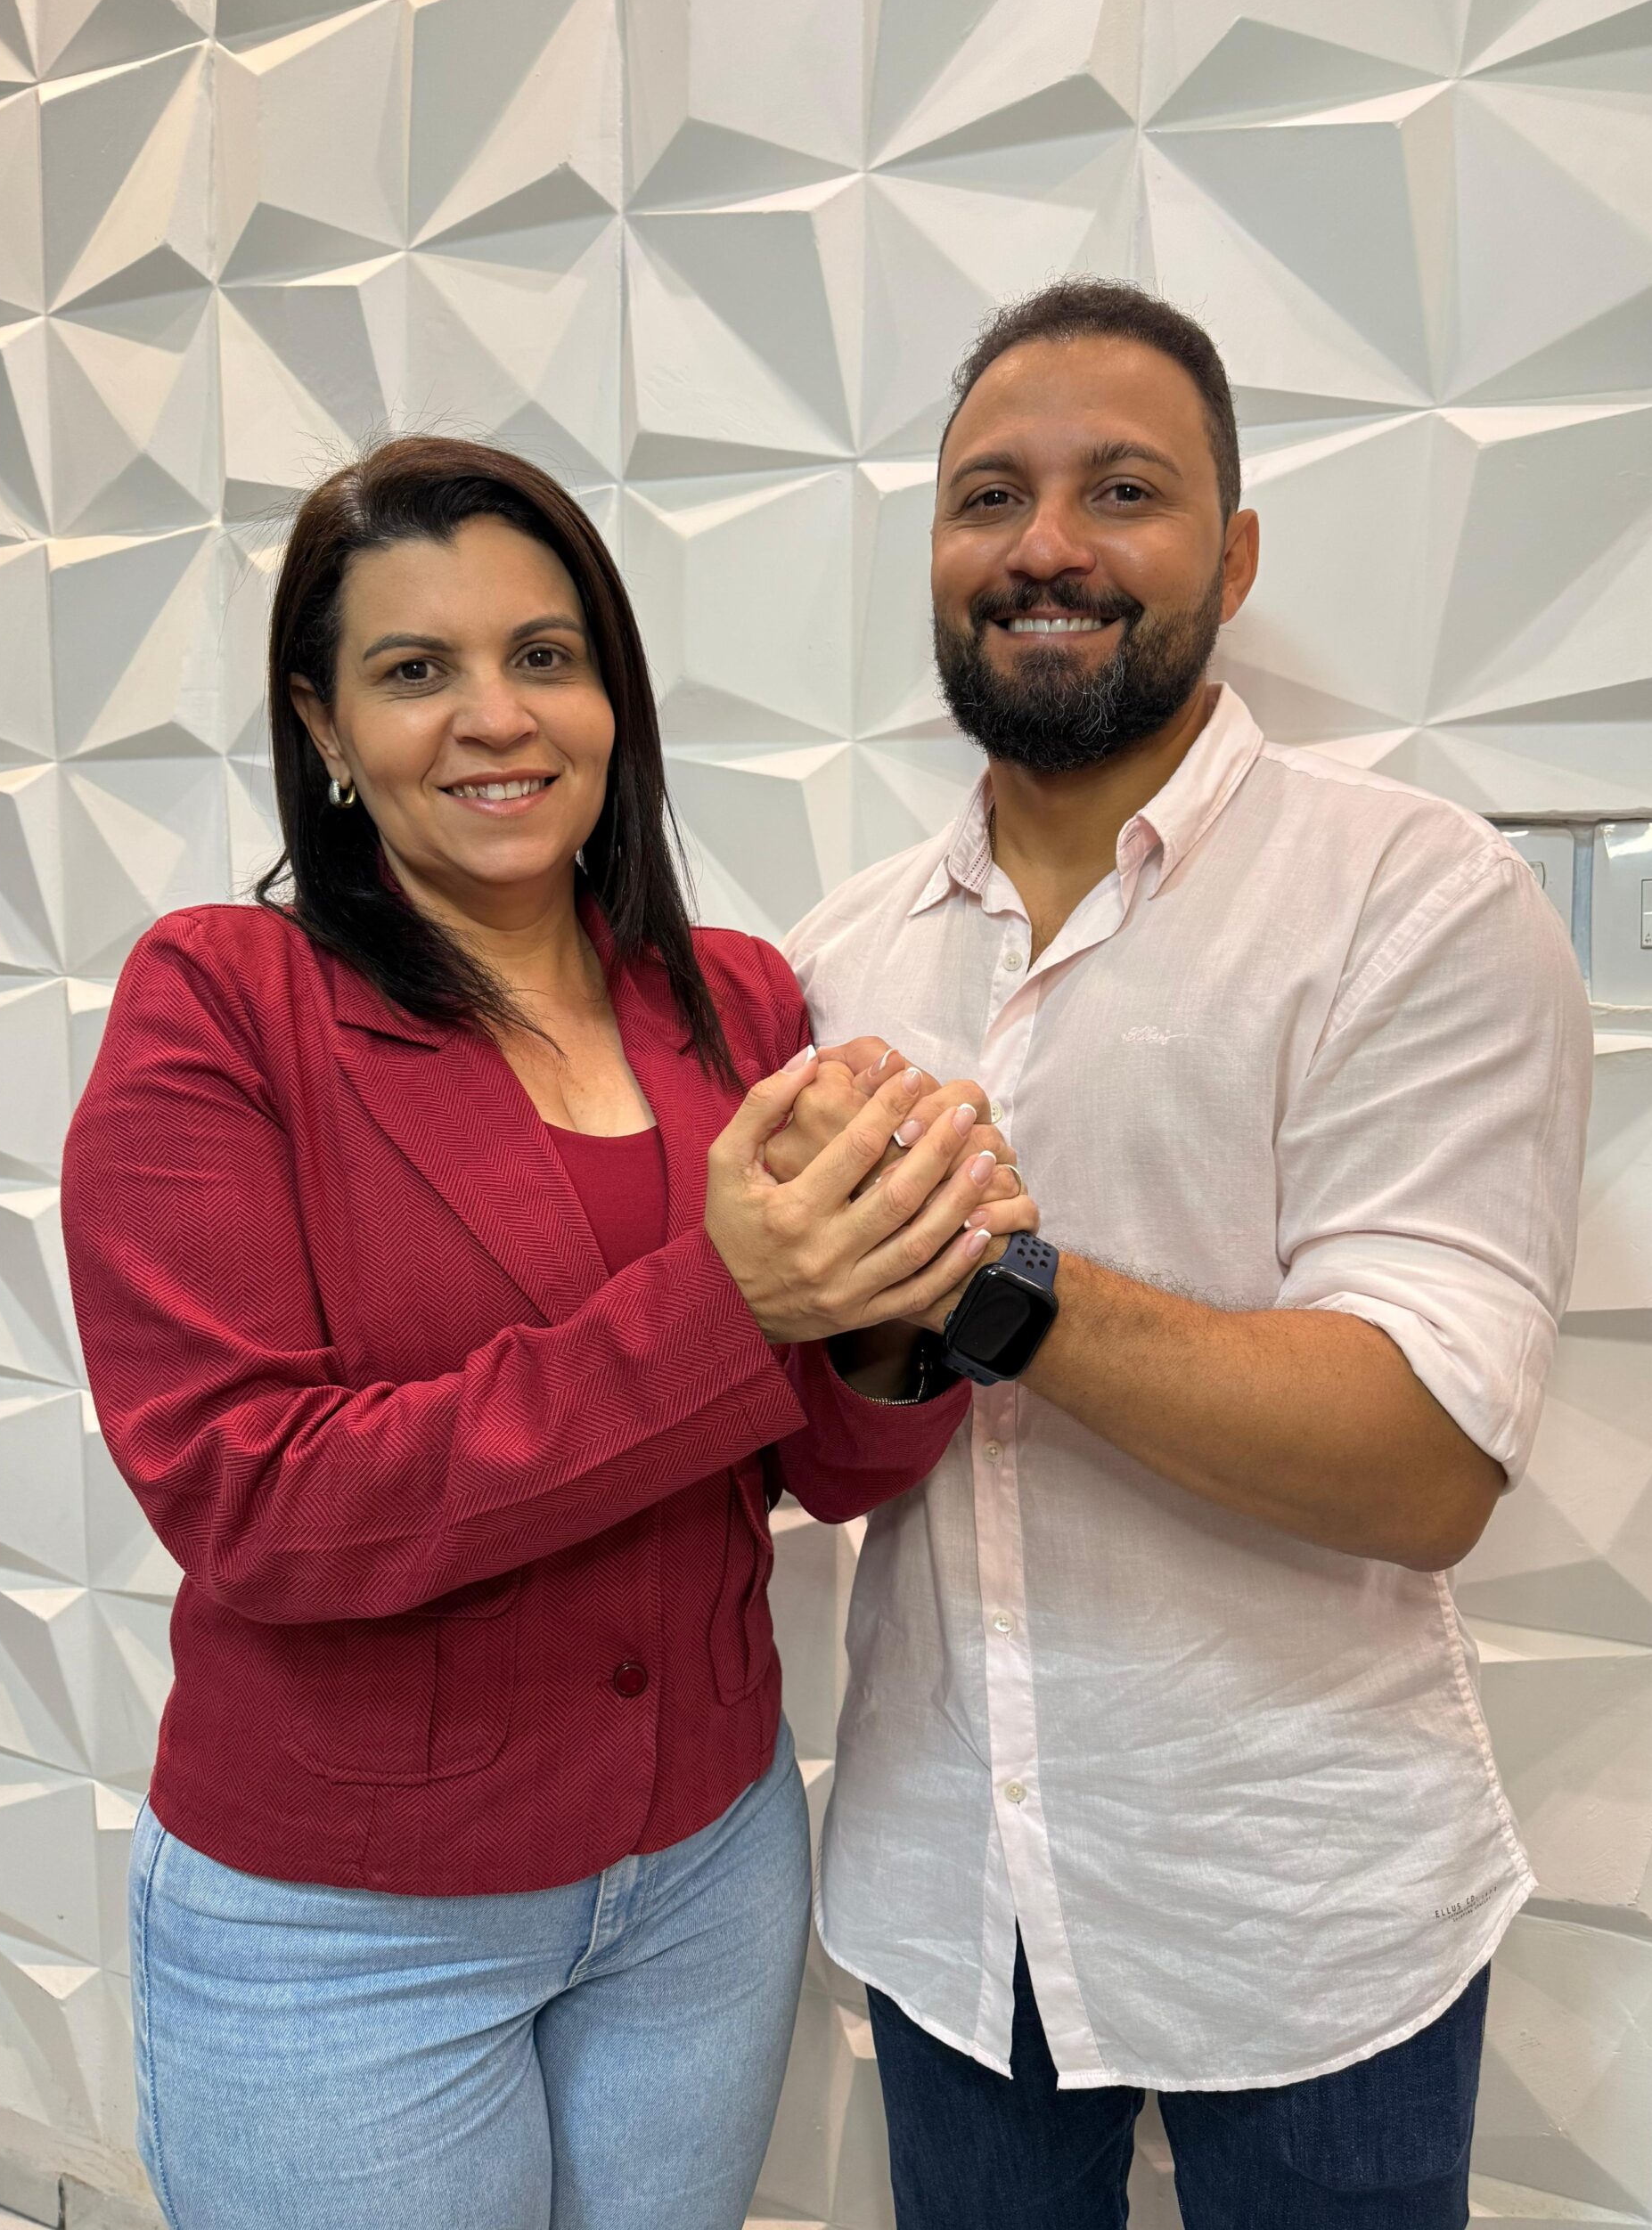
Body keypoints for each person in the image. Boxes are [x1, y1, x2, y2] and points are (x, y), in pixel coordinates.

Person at [60, 436, 1037, 2230]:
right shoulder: (223, 1001)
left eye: (543, 655)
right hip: (347, 1924)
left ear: (611, 697)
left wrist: (905, 1297)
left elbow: (823, 1458)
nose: (496, 716)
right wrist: (730, 1299)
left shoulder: (734, 996)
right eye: (413, 669)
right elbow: (254, 1497)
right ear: (325, 727)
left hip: (708, 1870)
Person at [779, 282, 1591, 2228]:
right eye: (990, 496)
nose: (1046, 543)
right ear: (935, 559)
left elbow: (1423, 1462)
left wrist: (986, 1285)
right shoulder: (838, 955)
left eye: (1123, 489)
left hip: (1301, 1904)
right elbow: (828, 1423)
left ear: (1232, 559)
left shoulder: (1414, 899)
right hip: (947, 1887)